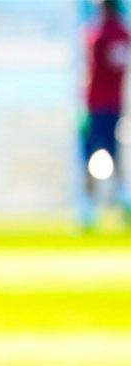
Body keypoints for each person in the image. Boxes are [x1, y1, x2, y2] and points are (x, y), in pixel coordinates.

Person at [81, 0, 131, 230]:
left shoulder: (99, 35)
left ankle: (88, 209)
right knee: (113, 155)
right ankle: (123, 199)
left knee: (88, 156)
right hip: (115, 104)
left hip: (97, 105)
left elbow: (93, 69)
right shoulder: (123, 34)